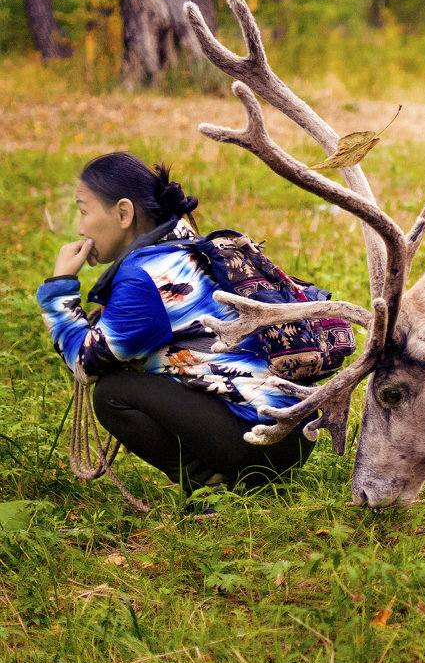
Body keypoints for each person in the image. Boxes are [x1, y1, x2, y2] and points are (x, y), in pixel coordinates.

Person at [37, 151, 314, 502]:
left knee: (112, 393)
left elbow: (85, 363)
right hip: (297, 435)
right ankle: (223, 473)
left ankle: (207, 487)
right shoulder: (188, 249)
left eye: (84, 210)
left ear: (123, 213)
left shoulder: (146, 277)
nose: (80, 227)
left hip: (260, 445)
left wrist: (59, 288)